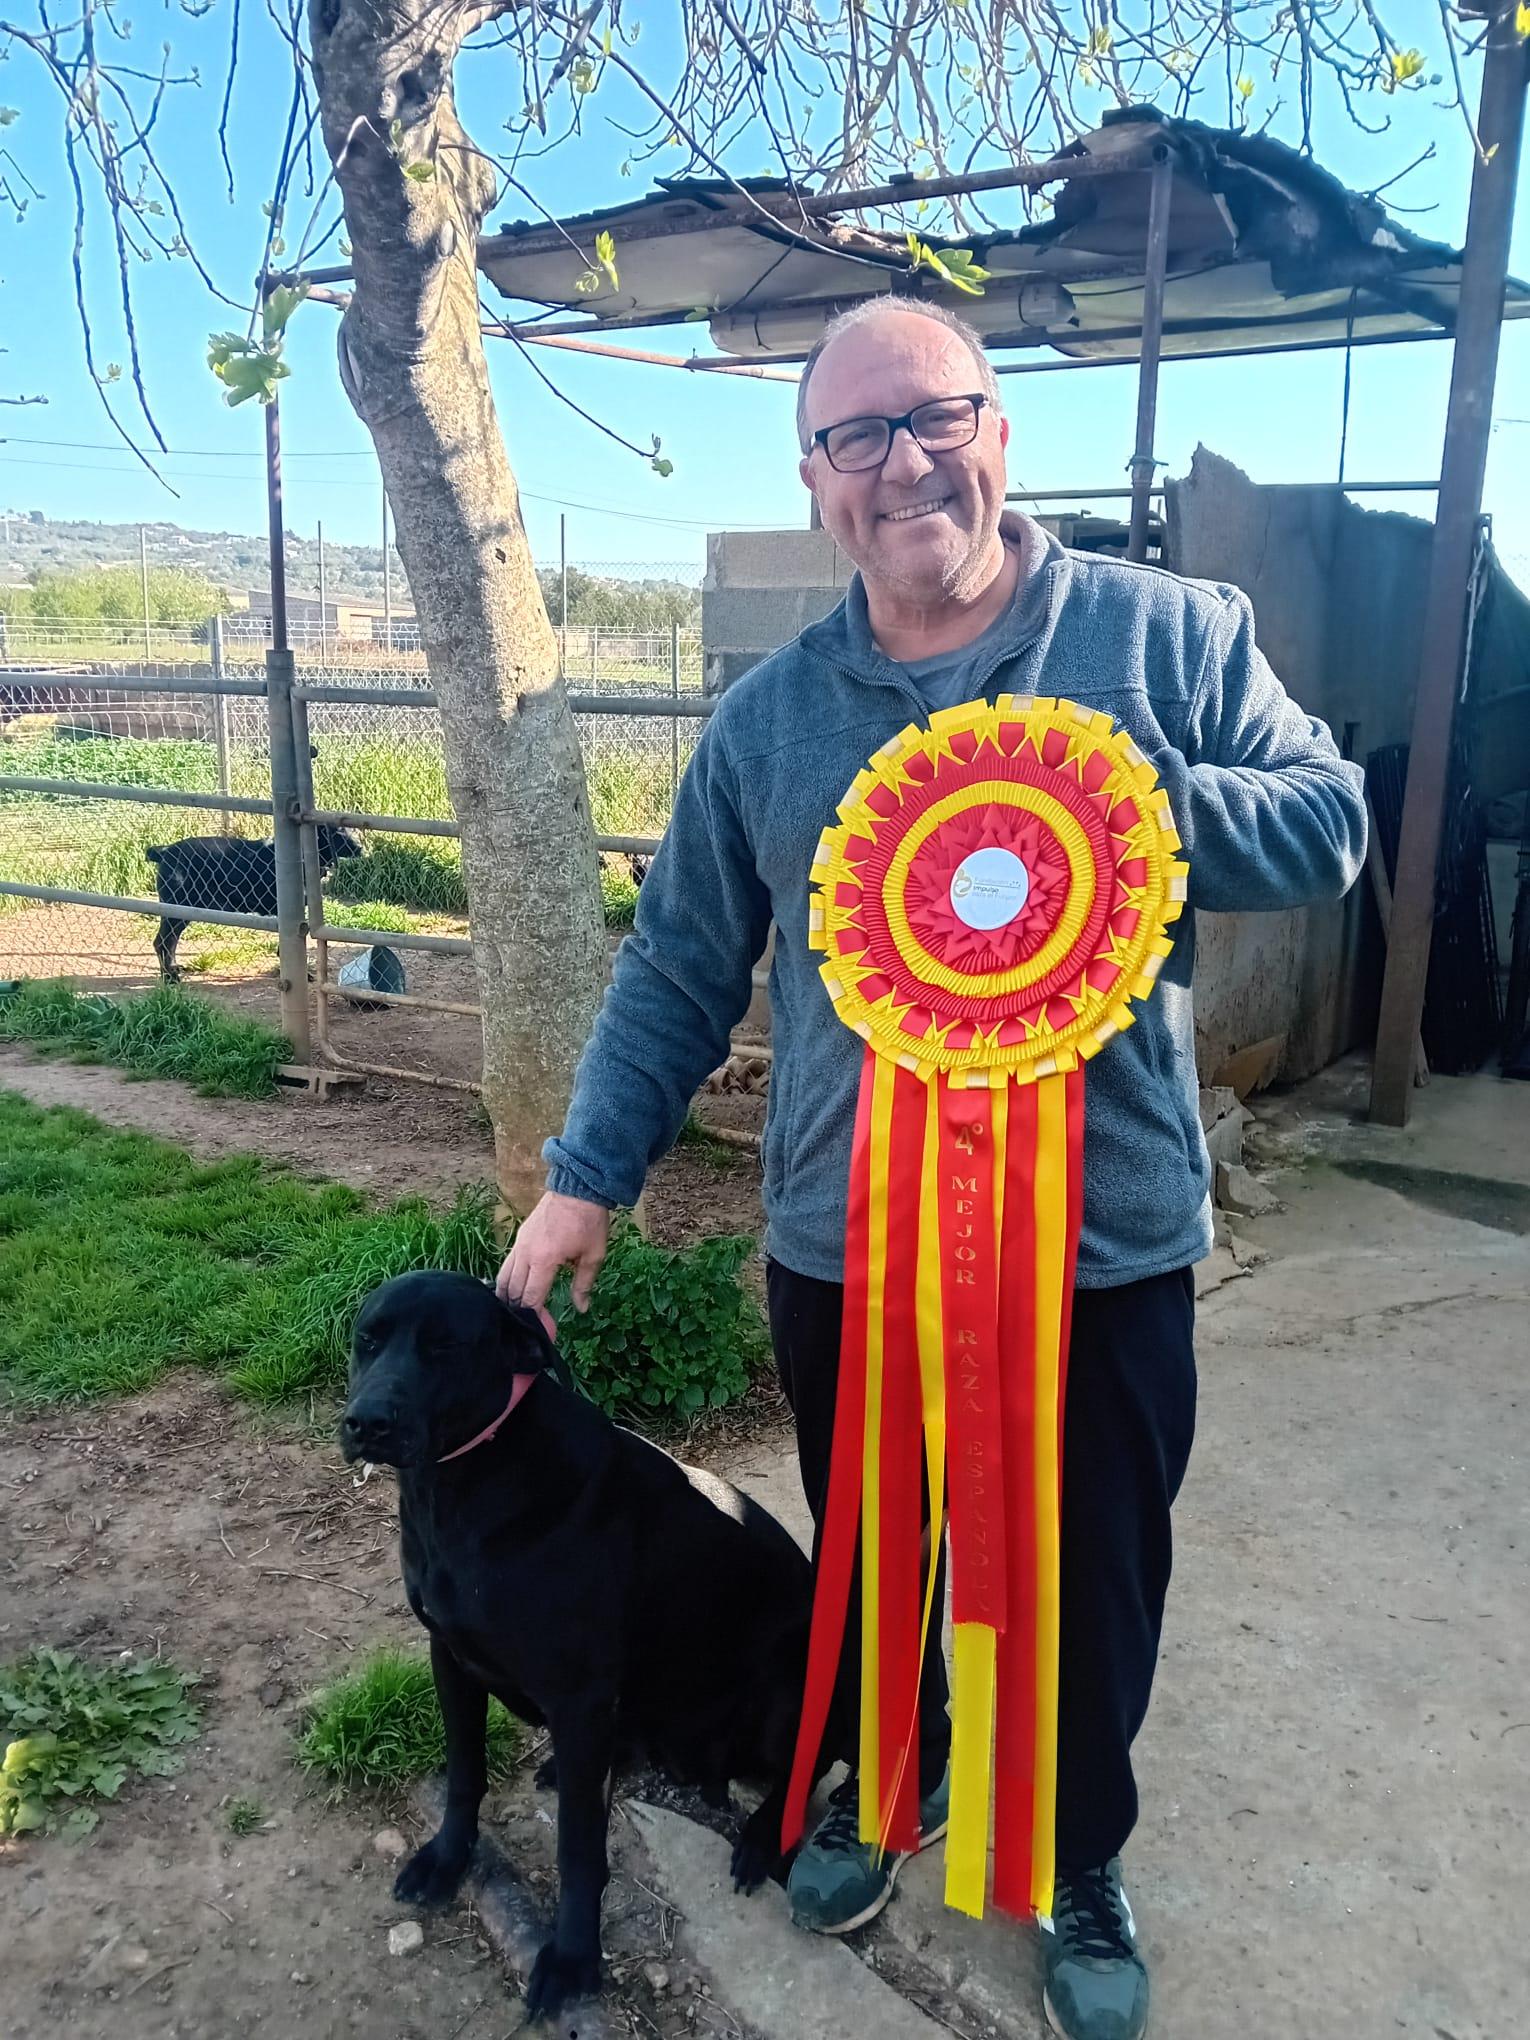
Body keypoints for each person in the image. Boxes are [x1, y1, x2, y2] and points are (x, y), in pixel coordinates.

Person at [499, 297, 1367, 2040]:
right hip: (851, 1245)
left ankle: (1078, 1845)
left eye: (934, 417)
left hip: (1100, 1245)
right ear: (816, 481)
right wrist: (586, 1170)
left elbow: (1329, 821)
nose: (902, 462)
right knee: (879, 1554)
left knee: (1091, 1574)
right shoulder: (766, 723)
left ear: (997, 432)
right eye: (856, 436)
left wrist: (1130, 798)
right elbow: (676, 963)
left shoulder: (1168, 635)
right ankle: (888, 1787)